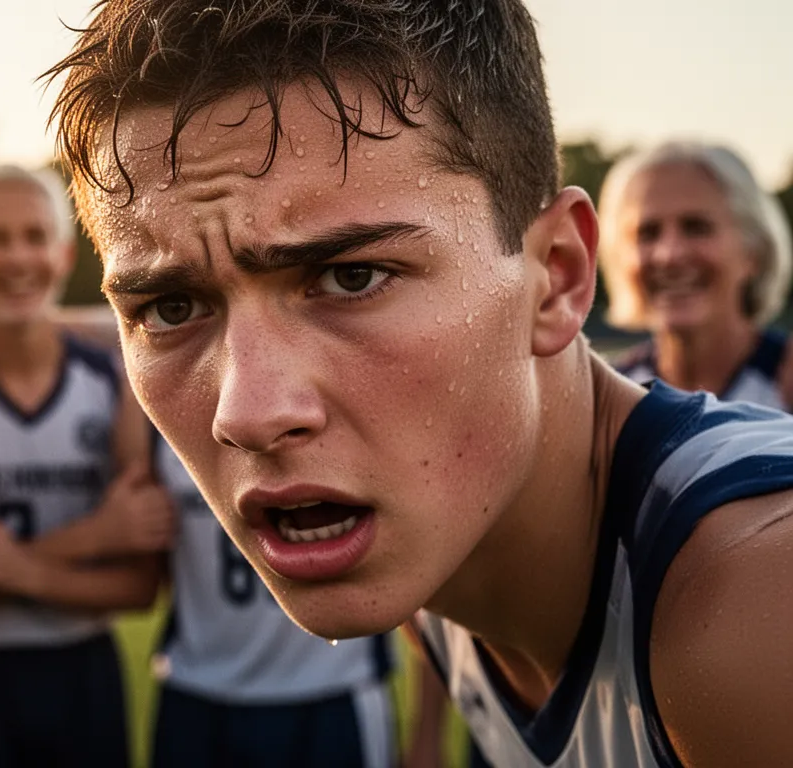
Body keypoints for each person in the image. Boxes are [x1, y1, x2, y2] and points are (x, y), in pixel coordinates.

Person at [43, 1, 793, 766]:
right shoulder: (444, 528)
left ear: (558, 277)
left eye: (352, 276)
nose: (250, 412)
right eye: (171, 307)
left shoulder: (756, 611)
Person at [0, 163, 173, 768]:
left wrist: (17, 567)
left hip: (84, 670)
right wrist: (90, 537)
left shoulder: (112, 382)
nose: (17, 257)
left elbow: (138, 585)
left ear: (62, 252)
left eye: (34, 236)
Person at [151, 433, 396, 768]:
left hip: (334, 691)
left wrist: (428, 733)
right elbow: (145, 579)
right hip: (196, 690)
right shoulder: (154, 406)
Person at [598, 141, 793, 408]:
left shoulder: (783, 383)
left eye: (696, 228)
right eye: (648, 232)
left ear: (754, 250)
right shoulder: (607, 400)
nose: (669, 255)